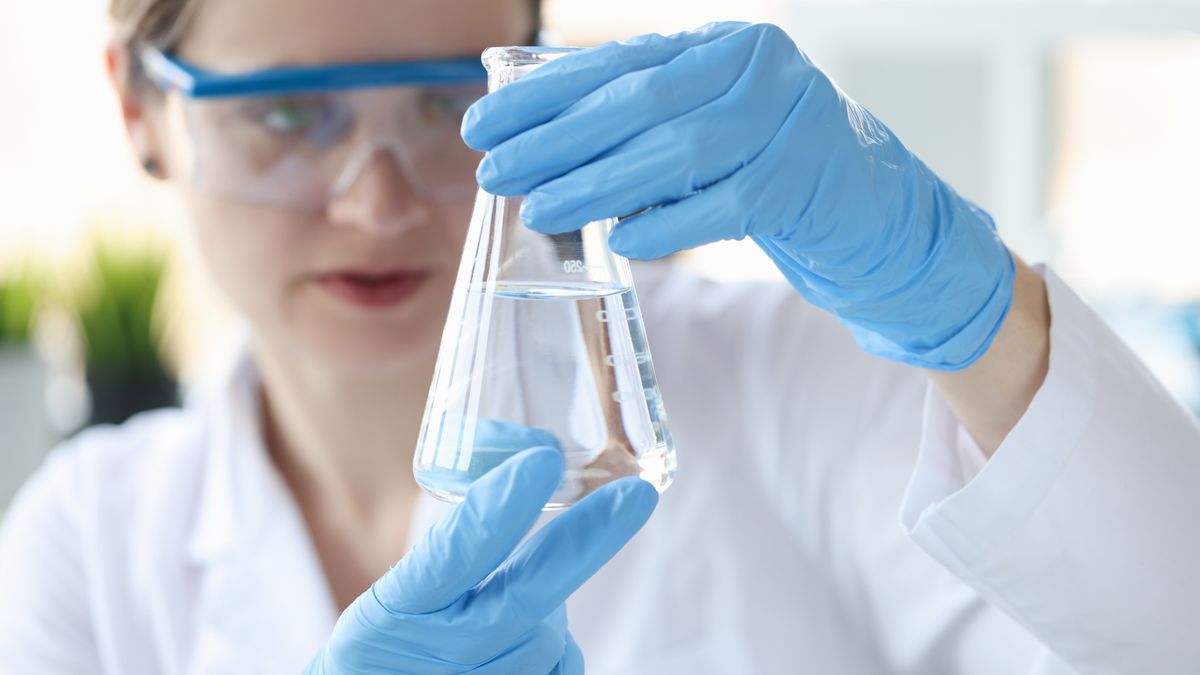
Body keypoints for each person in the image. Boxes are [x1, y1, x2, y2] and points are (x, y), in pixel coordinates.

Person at [0, 0, 1196, 673]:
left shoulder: (794, 383)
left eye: (440, 106)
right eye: (287, 115)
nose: (375, 202)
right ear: (138, 109)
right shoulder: (90, 548)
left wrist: (972, 309)